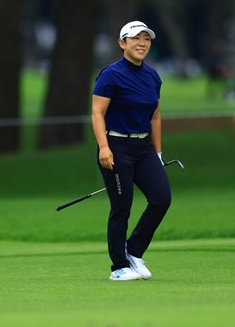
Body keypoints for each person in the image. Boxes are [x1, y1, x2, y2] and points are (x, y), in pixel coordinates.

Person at [91, 21, 172, 281]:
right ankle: (119, 267)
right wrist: (104, 147)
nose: (142, 44)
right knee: (121, 207)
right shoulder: (110, 75)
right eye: (136, 38)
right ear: (122, 43)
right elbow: (97, 113)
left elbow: (156, 117)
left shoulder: (152, 76)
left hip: (144, 148)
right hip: (116, 147)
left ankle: (134, 250)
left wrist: (158, 154)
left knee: (161, 198)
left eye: (146, 39)